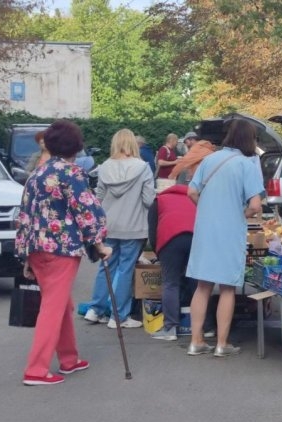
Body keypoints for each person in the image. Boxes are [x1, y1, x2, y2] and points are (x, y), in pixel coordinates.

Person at [15, 119, 112, 386]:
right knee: (53, 305)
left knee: (60, 302)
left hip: (36, 247)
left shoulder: (37, 174)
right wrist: (100, 243)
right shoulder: (72, 173)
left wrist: (24, 254)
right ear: (76, 146)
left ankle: (69, 359)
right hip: (62, 248)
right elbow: (88, 211)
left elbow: (25, 214)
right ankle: (36, 369)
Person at [185, 119, 264, 357]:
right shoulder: (246, 164)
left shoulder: (208, 159)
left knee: (202, 286)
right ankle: (222, 343)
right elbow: (256, 205)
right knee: (227, 288)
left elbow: (191, 191)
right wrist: (239, 213)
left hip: (205, 230)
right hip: (229, 232)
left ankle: (195, 341)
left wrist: (208, 209)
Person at [84, 129, 156, 328]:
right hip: (133, 226)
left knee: (105, 267)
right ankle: (119, 316)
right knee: (125, 270)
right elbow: (148, 200)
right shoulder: (143, 167)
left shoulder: (105, 167)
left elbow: (97, 199)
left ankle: (95, 309)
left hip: (109, 226)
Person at [147, 183, 197, 341]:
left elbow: (153, 232)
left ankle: (170, 328)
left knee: (171, 283)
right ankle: (205, 327)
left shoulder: (159, 200)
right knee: (198, 284)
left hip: (170, 240)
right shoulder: (195, 198)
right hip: (195, 237)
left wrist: (158, 252)